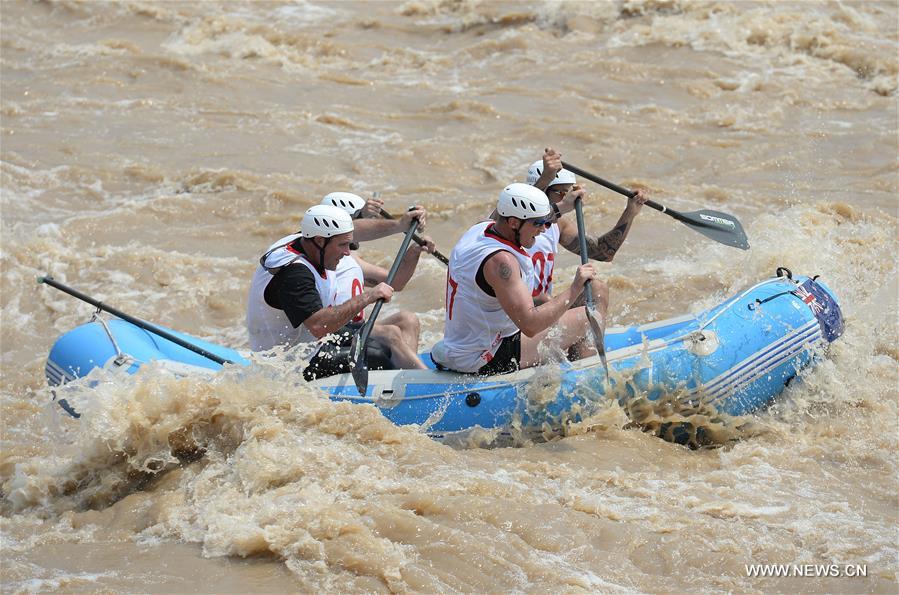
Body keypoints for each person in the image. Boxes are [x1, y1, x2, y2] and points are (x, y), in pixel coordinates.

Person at [431, 183, 601, 375]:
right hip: (485, 356)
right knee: (587, 318)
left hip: (463, 344)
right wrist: (575, 287)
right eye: (538, 223)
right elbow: (530, 325)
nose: (544, 230)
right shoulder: (501, 262)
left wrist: (561, 207)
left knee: (546, 301)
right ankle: (583, 382)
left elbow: (507, 213)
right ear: (513, 222)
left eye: (546, 222)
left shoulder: (479, 228)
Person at [245, 204, 426, 380]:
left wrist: (399, 225)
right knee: (379, 355)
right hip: (290, 364)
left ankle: (416, 381)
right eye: (342, 245)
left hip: (313, 343)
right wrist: (368, 296)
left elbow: (357, 229)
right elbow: (319, 326)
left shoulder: (308, 239)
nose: (348, 253)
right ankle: (417, 386)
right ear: (320, 241)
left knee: (400, 326)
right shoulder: (294, 274)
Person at [320, 192, 435, 359]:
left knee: (407, 319)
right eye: (362, 220)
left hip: (356, 328)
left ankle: (405, 373)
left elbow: (396, 282)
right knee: (390, 332)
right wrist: (399, 224)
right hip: (335, 331)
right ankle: (411, 372)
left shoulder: (352, 260)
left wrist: (415, 251)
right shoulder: (322, 259)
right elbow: (354, 229)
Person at [525, 147, 647, 304]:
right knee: (544, 299)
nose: (567, 197)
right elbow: (528, 204)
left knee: (597, 289)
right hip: (515, 310)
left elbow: (603, 253)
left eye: (567, 192)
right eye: (560, 192)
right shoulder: (510, 223)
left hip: (541, 309)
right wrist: (546, 178)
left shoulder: (559, 224)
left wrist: (630, 212)